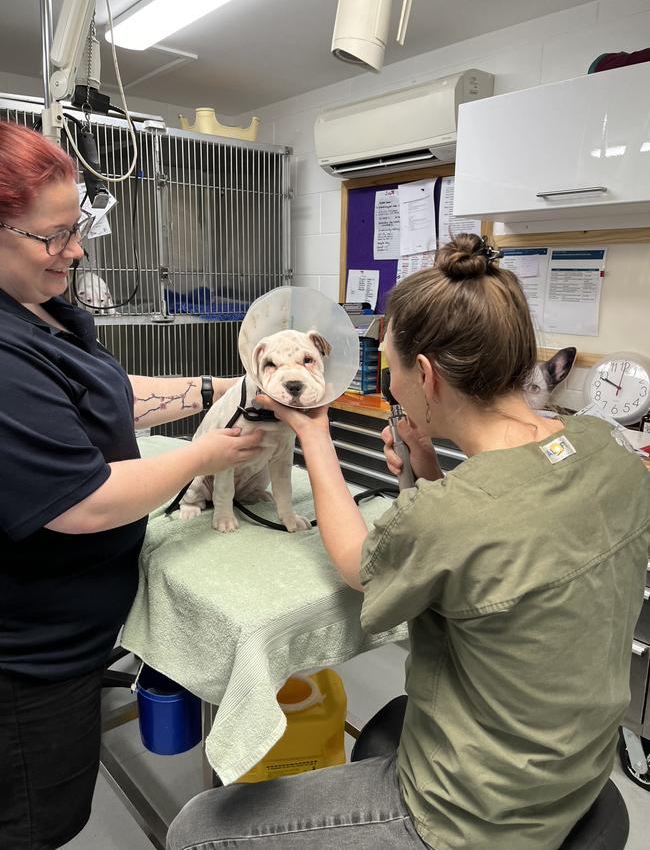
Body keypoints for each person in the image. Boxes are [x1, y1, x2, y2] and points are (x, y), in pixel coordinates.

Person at [167, 233, 650, 850]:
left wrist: (314, 435)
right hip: (579, 765)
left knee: (197, 830)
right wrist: (427, 473)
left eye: (389, 368)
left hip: (480, 813)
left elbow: (357, 566)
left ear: (423, 375)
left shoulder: (455, 514)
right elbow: (512, 532)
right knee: (380, 728)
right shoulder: (610, 448)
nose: (387, 383)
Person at [0, 120, 264, 850]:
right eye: (54, 236)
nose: (76, 249)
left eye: (77, 225)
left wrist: (225, 385)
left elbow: (114, 391)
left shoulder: (43, 309)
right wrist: (207, 454)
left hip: (81, 631)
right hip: (29, 657)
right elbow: (83, 502)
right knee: (34, 819)